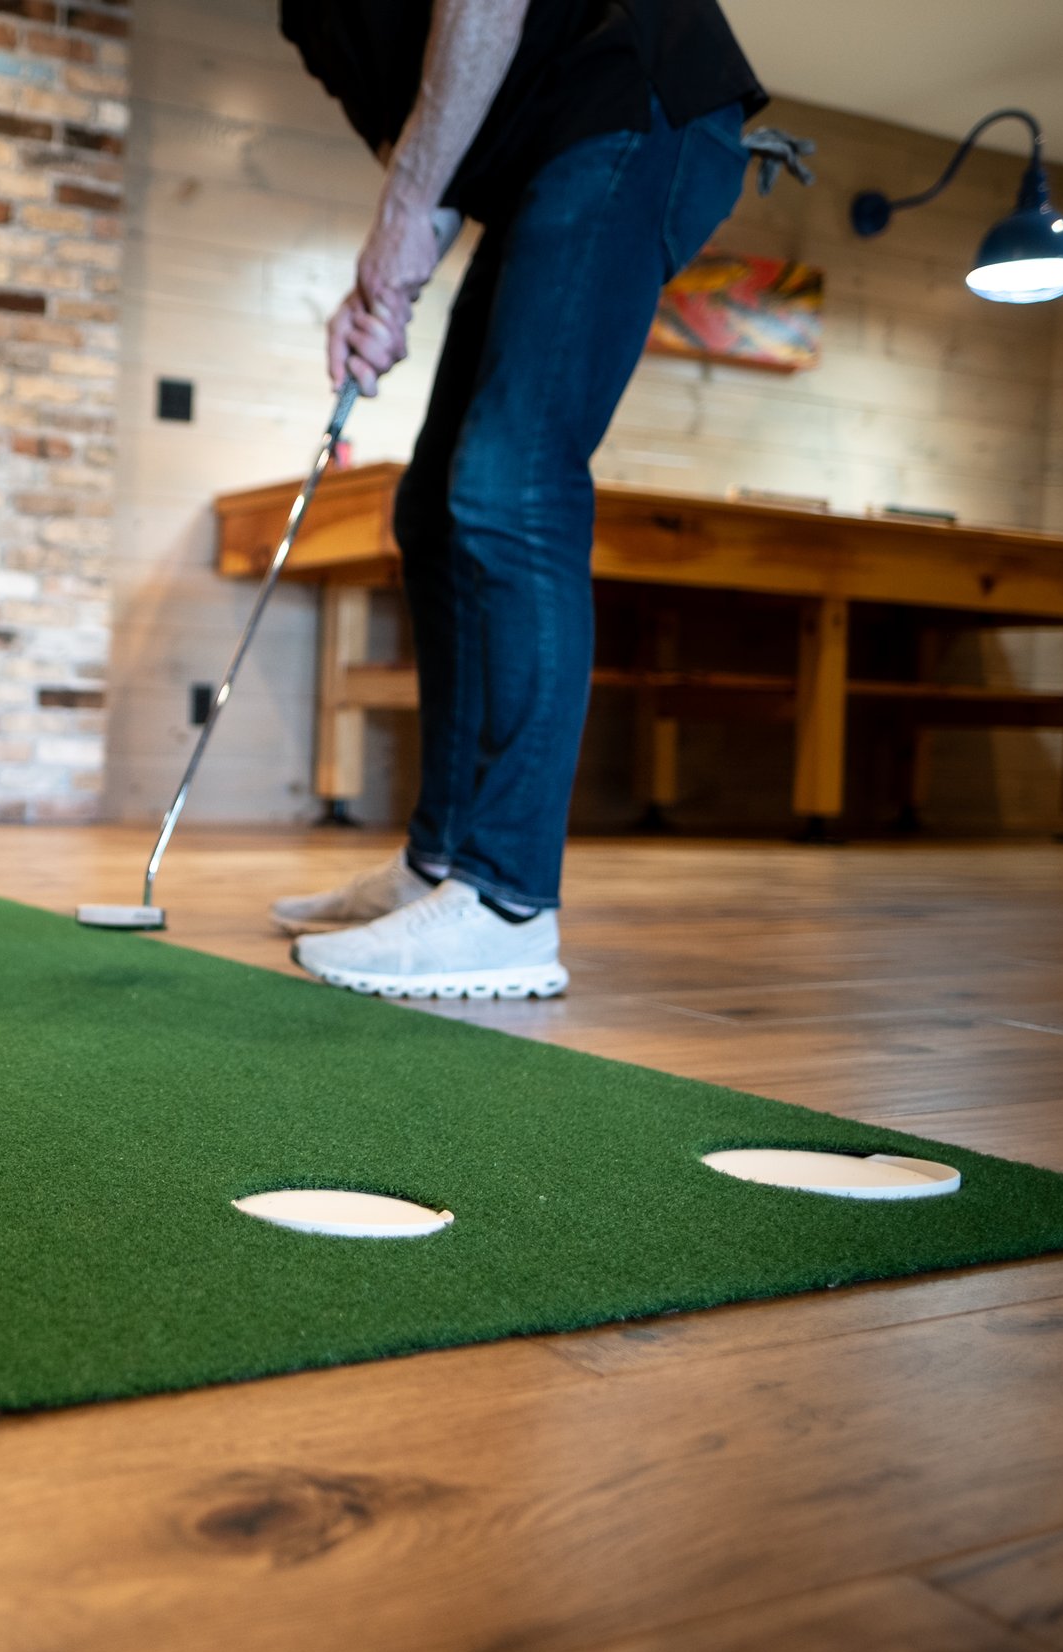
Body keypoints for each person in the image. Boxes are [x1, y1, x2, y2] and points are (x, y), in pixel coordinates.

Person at [271, 0, 768, 1000]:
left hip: (629, 100)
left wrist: (401, 222)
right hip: (537, 151)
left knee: (511, 479)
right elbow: (439, 152)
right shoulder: (306, 17)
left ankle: (505, 900)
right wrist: (384, 293)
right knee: (430, 510)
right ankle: (440, 862)